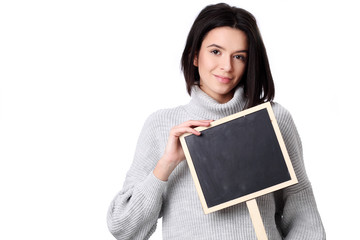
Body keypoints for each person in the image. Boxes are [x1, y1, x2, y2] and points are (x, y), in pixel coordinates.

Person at [107, 3, 326, 239]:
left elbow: (302, 210)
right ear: (194, 56)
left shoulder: (273, 118)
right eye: (215, 52)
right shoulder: (161, 125)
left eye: (239, 56)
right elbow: (123, 227)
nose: (226, 66)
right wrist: (167, 163)